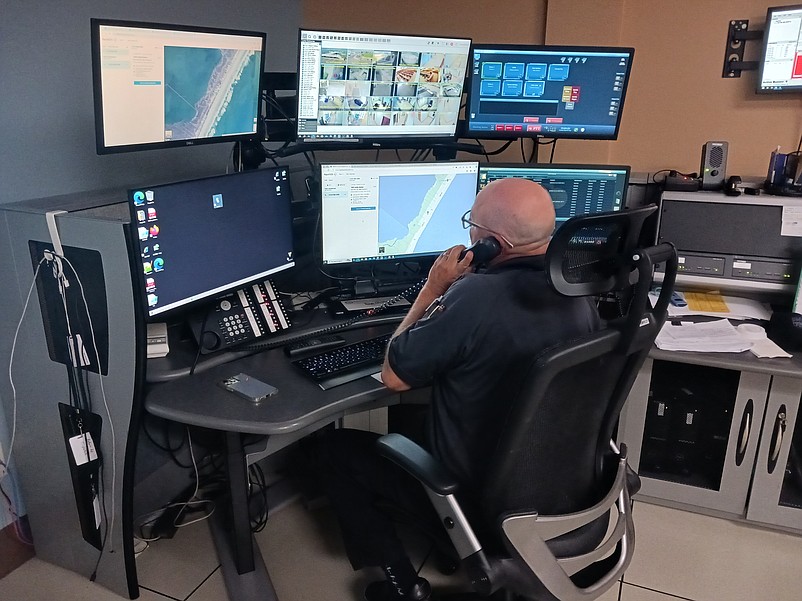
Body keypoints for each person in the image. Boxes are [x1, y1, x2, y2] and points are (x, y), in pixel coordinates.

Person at [315, 178, 602, 601]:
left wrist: (434, 288)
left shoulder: (476, 296)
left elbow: (394, 376)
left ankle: (401, 583)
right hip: (563, 486)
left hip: (483, 501)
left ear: (490, 243)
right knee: (418, 414)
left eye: (471, 225)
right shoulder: (579, 291)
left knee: (331, 451)